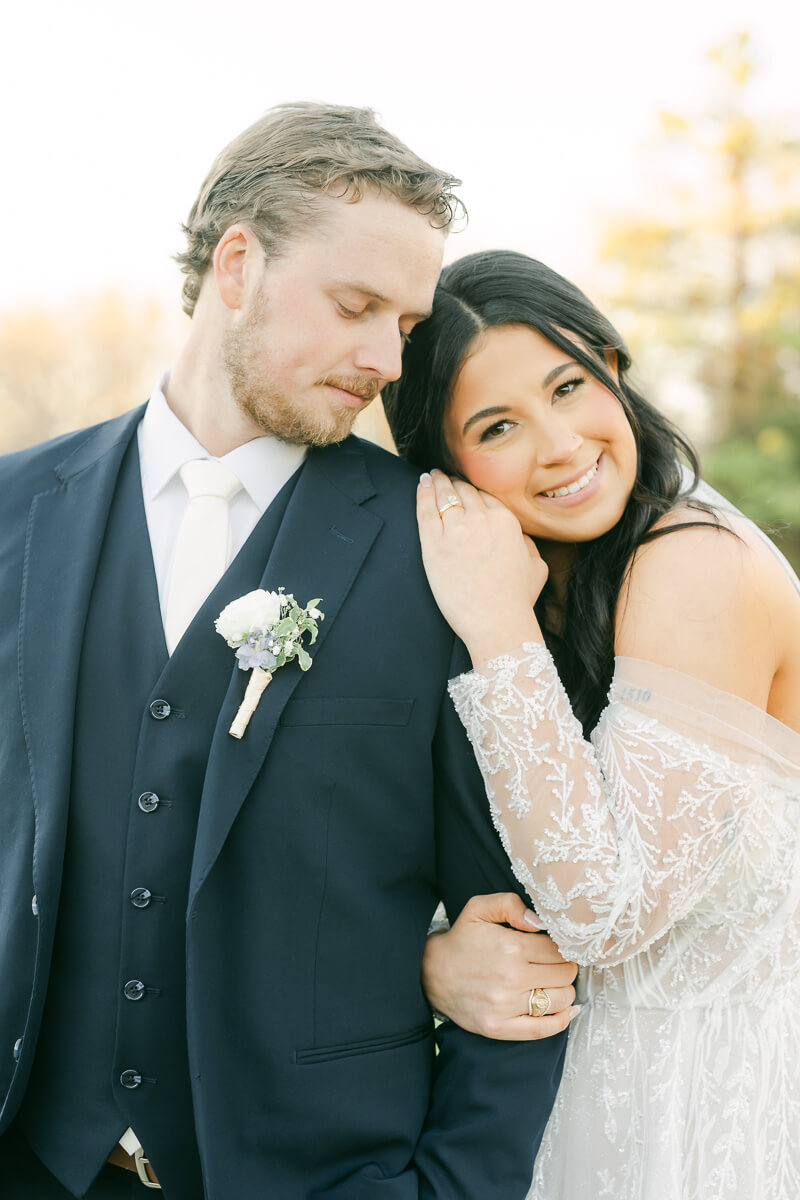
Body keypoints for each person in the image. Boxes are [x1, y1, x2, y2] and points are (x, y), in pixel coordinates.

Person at [0, 112, 577, 1199]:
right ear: (236, 262)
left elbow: (522, 925)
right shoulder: (13, 511)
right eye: (356, 307)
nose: (386, 360)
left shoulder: (437, 544)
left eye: (405, 323)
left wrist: (452, 1187)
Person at [382, 249, 800, 1199]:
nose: (561, 444)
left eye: (569, 386)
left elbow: (600, 909)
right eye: (499, 427)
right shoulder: (529, 585)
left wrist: (497, 632)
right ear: (448, 471)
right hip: (557, 1121)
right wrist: (439, 958)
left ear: (612, 365)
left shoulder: (699, 566)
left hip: (714, 1128)